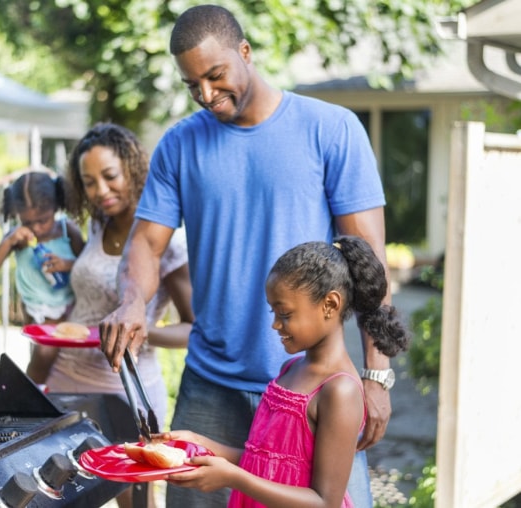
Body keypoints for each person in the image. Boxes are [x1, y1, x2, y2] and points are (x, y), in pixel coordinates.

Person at [99, 5, 395, 507]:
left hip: (317, 388)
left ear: (245, 52)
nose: (208, 96)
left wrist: (376, 373)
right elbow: (146, 245)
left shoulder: (333, 129)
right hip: (211, 386)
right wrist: (131, 302)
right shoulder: (179, 145)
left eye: (216, 76)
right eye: (194, 86)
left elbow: (371, 263)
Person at [157, 236, 410, 507]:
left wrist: (235, 478)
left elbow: (324, 501)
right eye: (274, 313)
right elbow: (265, 461)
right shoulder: (290, 369)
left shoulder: (339, 390)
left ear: (330, 305)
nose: (275, 325)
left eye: (285, 314)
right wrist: (201, 444)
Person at [45, 123, 194, 508]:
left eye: (110, 177)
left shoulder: (168, 244)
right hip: (67, 377)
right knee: (60, 491)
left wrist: (139, 330)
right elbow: (90, 287)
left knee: (132, 501)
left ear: (132, 170)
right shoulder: (97, 224)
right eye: (89, 182)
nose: (101, 191)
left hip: (125, 388)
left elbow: (193, 330)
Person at [0, 171, 84, 384]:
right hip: (33, 311)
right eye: (28, 222)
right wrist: (9, 242)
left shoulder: (68, 231)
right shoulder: (16, 237)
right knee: (41, 354)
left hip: (65, 308)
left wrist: (67, 264)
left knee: (47, 355)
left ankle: (32, 389)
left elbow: (86, 266)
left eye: (43, 221)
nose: (36, 228)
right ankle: (35, 389)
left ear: (56, 207)